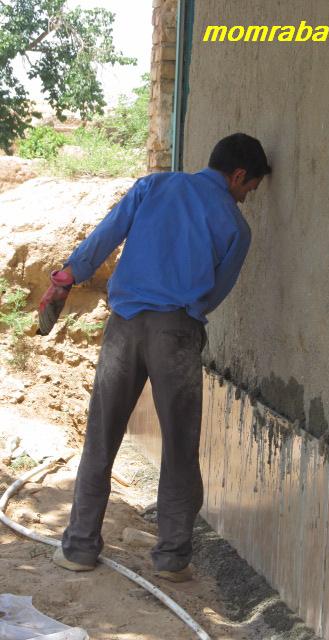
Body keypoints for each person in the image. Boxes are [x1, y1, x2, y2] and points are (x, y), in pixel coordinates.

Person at [38, 133, 271, 582]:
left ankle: (79, 548)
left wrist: (68, 275)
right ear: (238, 175)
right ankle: (171, 559)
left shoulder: (153, 186)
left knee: (101, 437)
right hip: (177, 334)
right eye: (249, 188)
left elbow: (105, 236)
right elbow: (214, 294)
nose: (246, 198)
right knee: (179, 447)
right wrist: (183, 313)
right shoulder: (237, 229)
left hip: (123, 327)